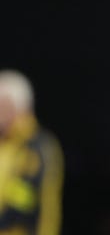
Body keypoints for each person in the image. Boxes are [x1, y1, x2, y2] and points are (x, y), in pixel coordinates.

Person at [0, 69, 64, 235]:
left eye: (3, 104)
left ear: (20, 106)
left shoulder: (38, 145)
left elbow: (24, 199)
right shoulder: (6, 144)